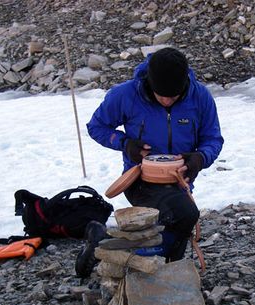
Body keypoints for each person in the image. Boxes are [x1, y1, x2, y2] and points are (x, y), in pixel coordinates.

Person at [75, 47, 224, 279]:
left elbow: (213, 139)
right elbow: (96, 127)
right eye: (160, 94)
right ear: (149, 83)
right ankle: (154, 271)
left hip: (179, 181)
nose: (166, 100)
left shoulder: (200, 97)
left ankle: (106, 243)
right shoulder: (125, 95)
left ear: (184, 84)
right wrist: (124, 143)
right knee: (183, 215)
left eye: (173, 96)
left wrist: (200, 158)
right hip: (139, 179)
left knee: (175, 233)